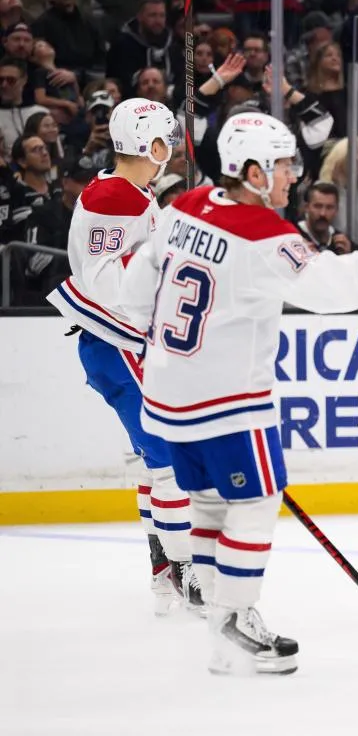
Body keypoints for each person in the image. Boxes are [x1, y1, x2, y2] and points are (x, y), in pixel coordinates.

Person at [117, 112, 358, 675]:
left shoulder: (183, 207)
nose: (294, 175)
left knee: (209, 505)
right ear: (251, 171)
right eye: (284, 165)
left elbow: (133, 295)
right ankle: (234, 624)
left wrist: (163, 361)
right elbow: (333, 289)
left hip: (168, 397)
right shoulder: (264, 234)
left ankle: (222, 622)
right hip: (228, 403)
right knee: (254, 504)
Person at [43, 98, 204, 615]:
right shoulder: (117, 196)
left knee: (147, 458)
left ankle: (165, 574)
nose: (173, 148)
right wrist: (173, 252)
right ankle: (191, 574)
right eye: (167, 140)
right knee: (168, 459)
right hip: (118, 343)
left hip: (116, 346)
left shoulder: (131, 191)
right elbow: (108, 282)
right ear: (150, 146)